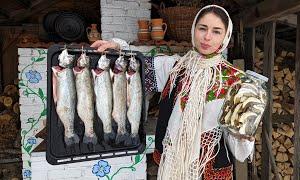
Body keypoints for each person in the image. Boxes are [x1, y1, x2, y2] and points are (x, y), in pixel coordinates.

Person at [91, 4, 255, 180]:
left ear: (226, 36)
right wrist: (118, 47)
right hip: (172, 167)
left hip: (209, 171)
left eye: (216, 31)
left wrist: (243, 133)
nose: (207, 37)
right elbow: (138, 65)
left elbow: (239, 150)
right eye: (202, 28)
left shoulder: (235, 81)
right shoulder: (176, 68)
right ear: (194, 30)